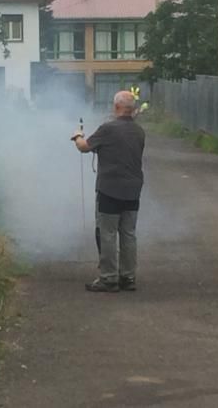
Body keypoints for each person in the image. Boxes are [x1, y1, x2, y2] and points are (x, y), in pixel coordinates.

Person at [71, 91, 145, 292]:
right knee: (128, 234)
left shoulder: (108, 129)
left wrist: (78, 136)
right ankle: (128, 278)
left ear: (116, 107)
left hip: (110, 189)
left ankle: (109, 277)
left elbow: (84, 148)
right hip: (133, 189)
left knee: (108, 234)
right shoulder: (139, 131)